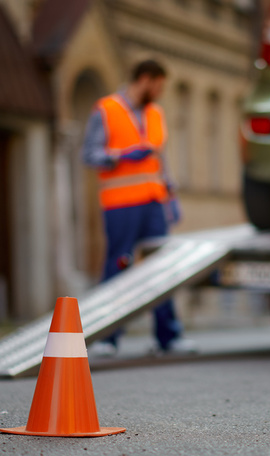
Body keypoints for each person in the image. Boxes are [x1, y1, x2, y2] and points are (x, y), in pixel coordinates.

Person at [82, 59, 195, 356]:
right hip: (120, 205)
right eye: (158, 86)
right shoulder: (106, 110)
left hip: (154, 203)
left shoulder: (155, 114)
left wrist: (171, 196)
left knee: (161, 268)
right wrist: (120, 155)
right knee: (119, 266)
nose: (159, 93)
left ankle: (168, 337)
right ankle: (106, 338)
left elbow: (160, 160)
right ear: (145, 79)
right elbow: (89, 154)